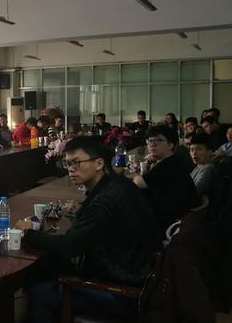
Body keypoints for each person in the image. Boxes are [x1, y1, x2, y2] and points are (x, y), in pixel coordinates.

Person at [16, 137, 159, 323]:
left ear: (99, 163)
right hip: (137, 274)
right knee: (44, 267)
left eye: (76, 163)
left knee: (39, 289)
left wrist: (29, 232)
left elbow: (69, 246)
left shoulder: (105, 201)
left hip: (120, 292)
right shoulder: (118, 184)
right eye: (68, 164)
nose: (71, 169)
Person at [130, 125, 199, 234]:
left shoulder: (170, 164)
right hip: (169, 214)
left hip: (171, 221)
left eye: (158, 140)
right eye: (150, 140)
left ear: (170, 145)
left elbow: (140, 183)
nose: (152, 144)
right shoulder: (169, 161)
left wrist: (130, 174)